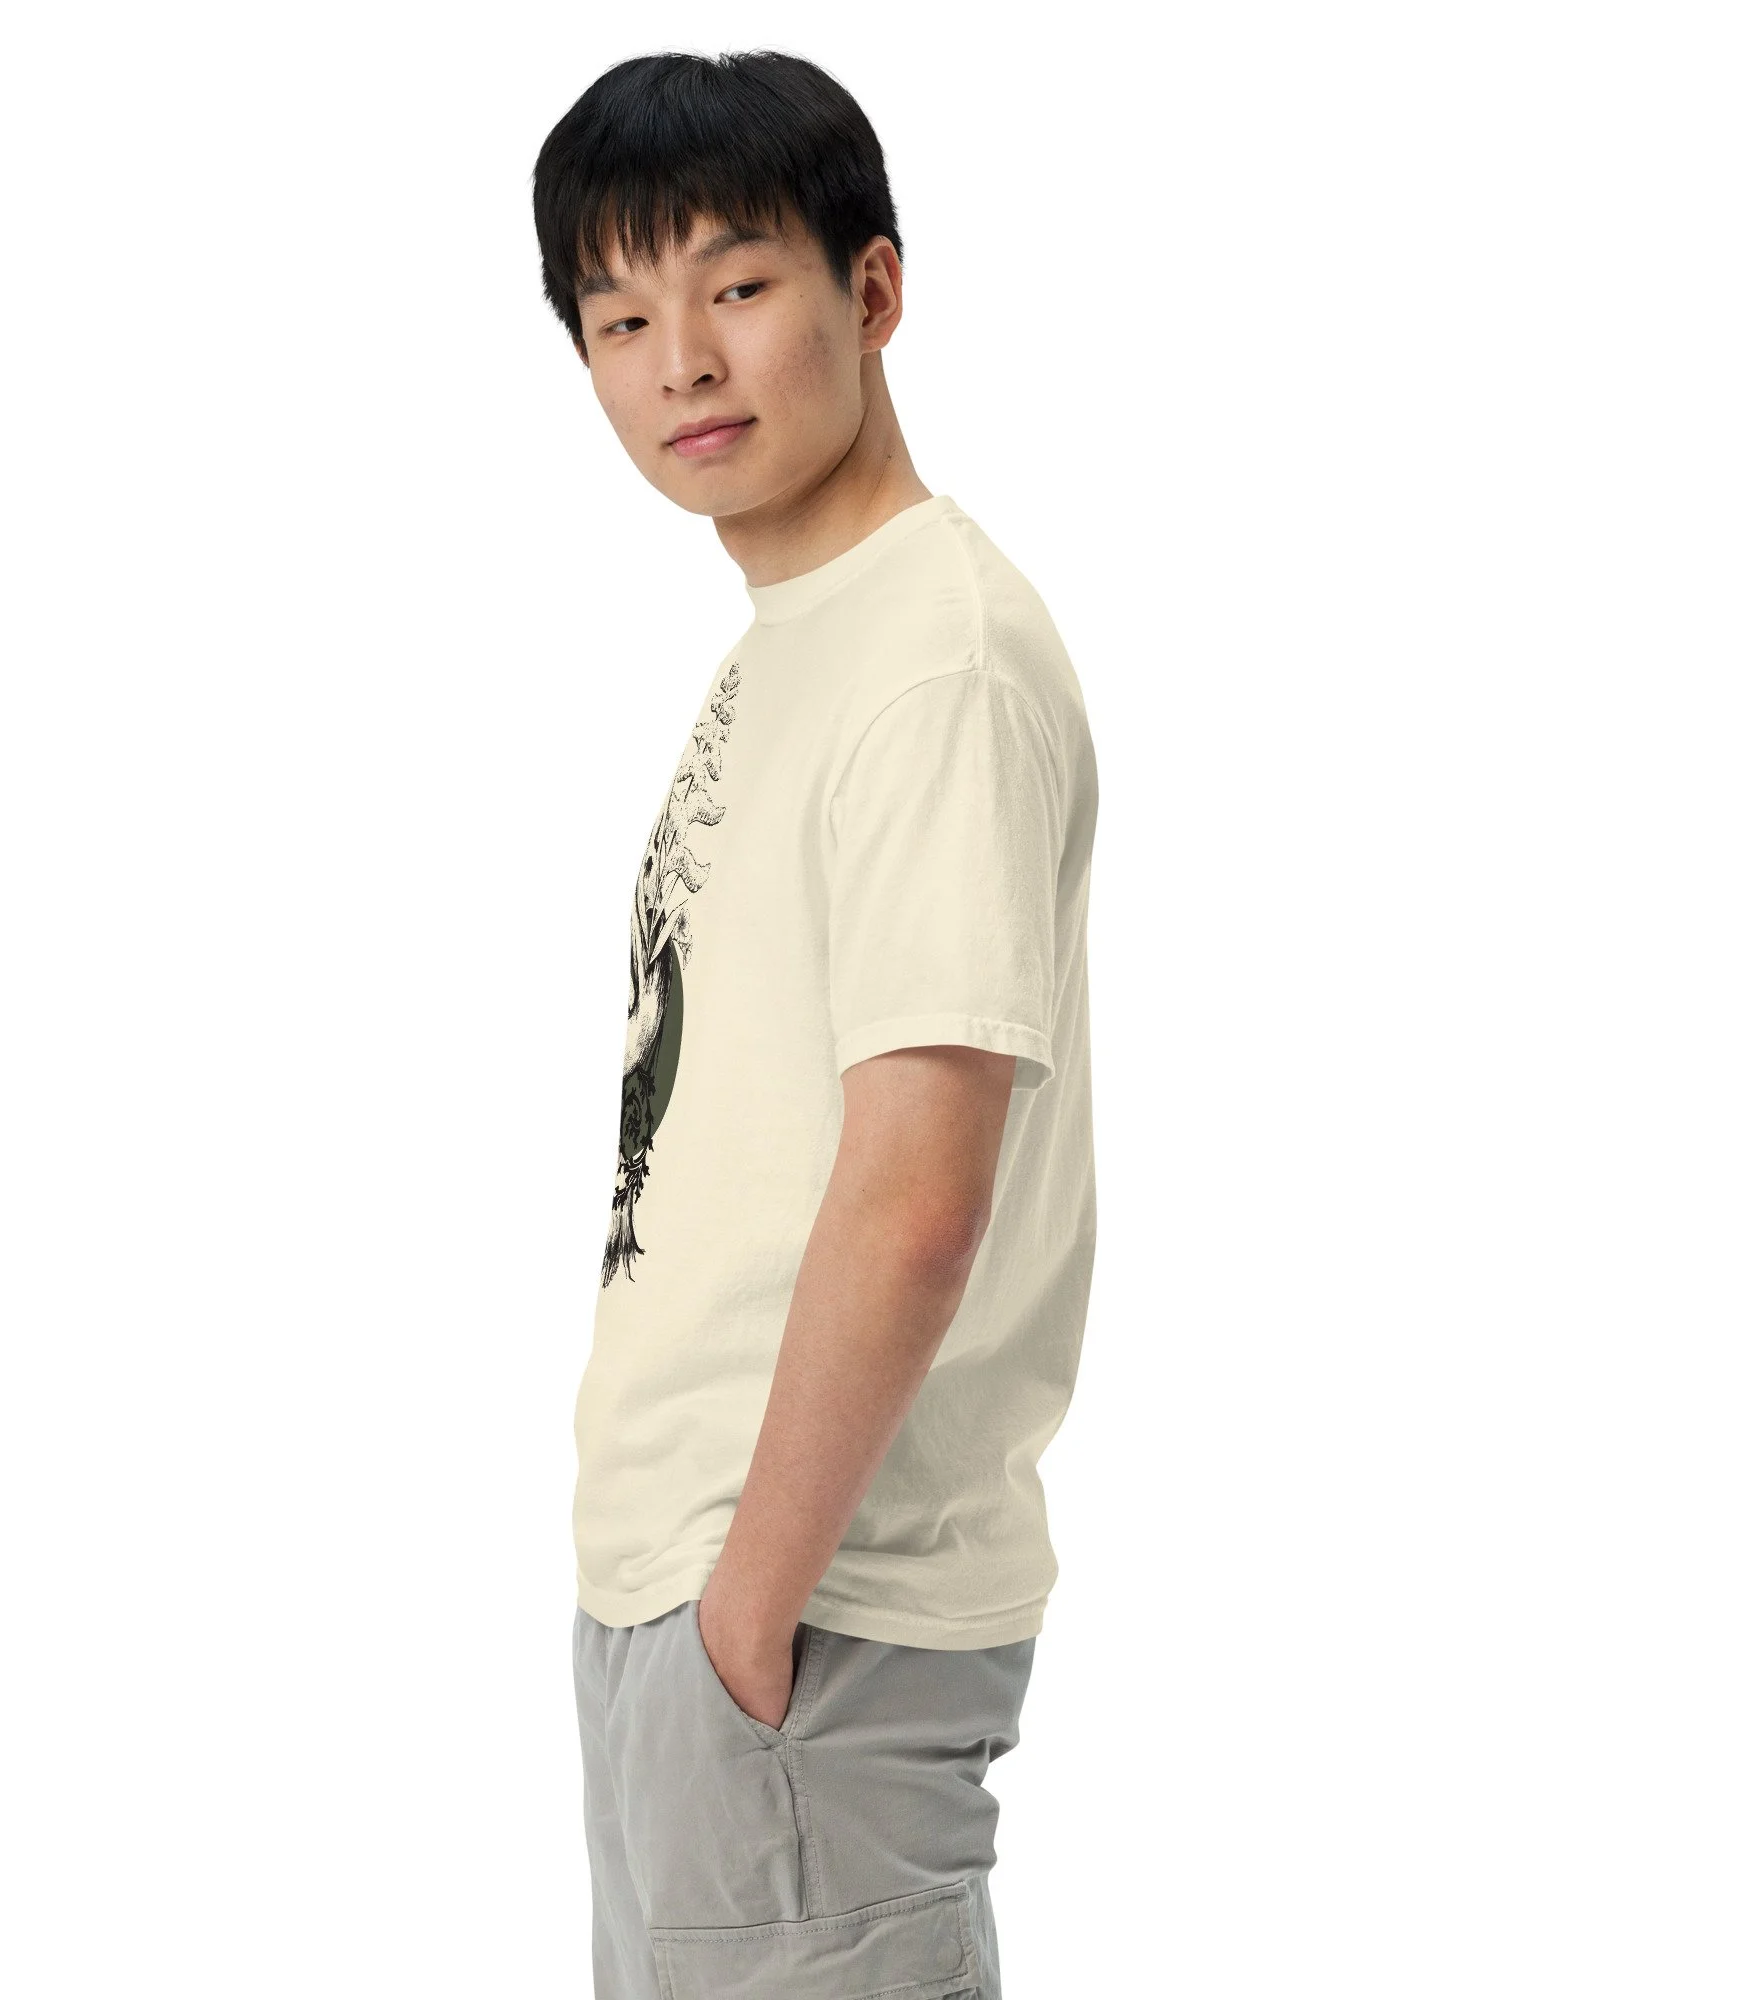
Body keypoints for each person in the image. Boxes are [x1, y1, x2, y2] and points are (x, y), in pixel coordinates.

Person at [534, 48, 1099, 1999]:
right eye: (620, 316)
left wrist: (748, 1612)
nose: (681, 359)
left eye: (737, 284)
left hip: (807, 1624)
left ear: (872, 288)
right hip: (706, 1611)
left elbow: (918, 1194)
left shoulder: (934, 662)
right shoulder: (808, 639)